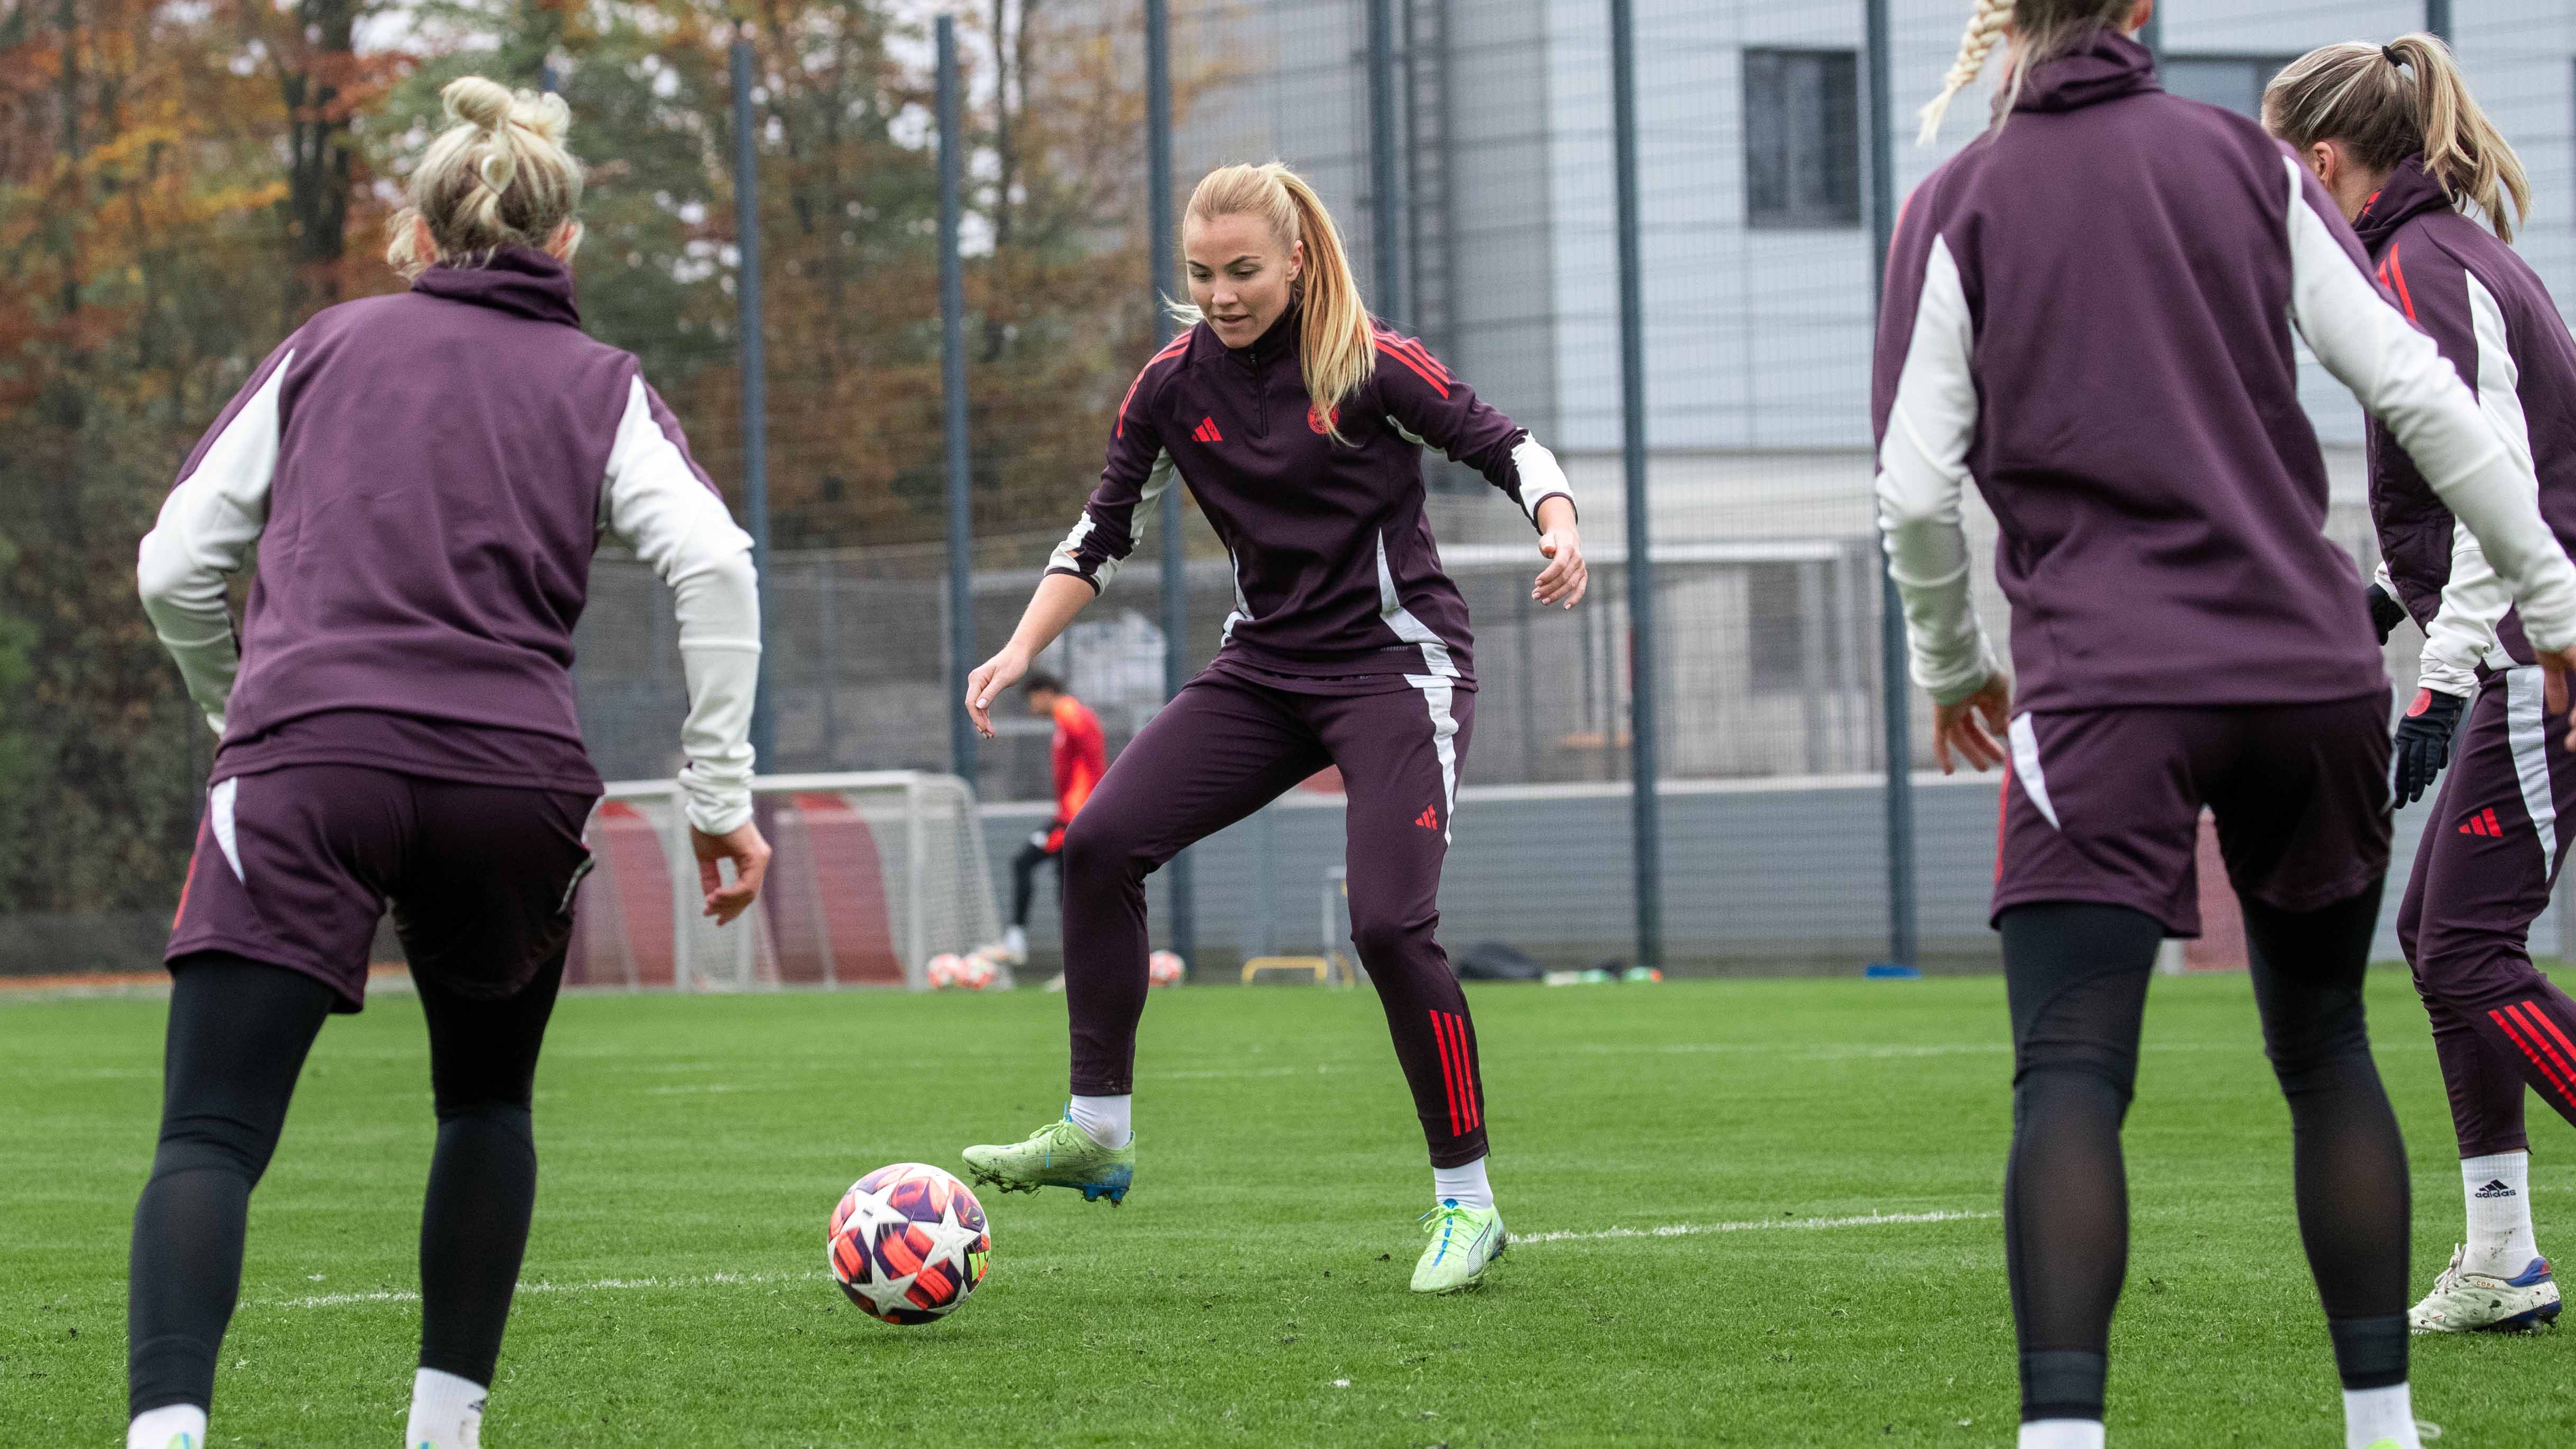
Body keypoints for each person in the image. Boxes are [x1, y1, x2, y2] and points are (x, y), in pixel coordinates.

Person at [1892, 6, 2576, 1448]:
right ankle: (2383, 1424)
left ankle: (2064, 1435)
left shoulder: (1956, 198)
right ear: (2145, 10)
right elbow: (2416, 393)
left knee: (2073, 1066)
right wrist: (2554, 605)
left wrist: (1952, 661)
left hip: (2105, 687)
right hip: (2310, 674)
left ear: (2002, 20)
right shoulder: (2244, 165)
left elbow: (1911, 491)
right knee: (2328, 1042)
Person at [125, 78, 768, 1449]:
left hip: (306, 763)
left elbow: (176, 564)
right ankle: (443, 1429)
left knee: (210, 1137)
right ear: (568, 242)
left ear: (412, 234)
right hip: (509, 781)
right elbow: (714, 561)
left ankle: (167, 1431)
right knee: (485, 1100)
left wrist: (239, 710)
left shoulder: (326, 347)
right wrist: (718, 797)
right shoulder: (604, 387)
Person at [955, 161, 1585, 1294]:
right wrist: (1018, 647)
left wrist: (1558, 520)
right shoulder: (1167, 384)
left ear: (1295, 260)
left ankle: (1469, 1203)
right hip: (1266, 670)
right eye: (1201, 273)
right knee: (1097, 844)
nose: (1223, 292)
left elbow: (1506, 441)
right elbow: (1100, 533)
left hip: (1398, 671)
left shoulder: (1369, 359)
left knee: (1392, 926)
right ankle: (1097, 1126)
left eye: (1243, 270)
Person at [2267, 34, 2576, 1336]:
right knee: (2441, 942)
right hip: (2522, 638)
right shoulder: (2450, 254)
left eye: (2282, 168)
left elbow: (2495, 488)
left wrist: (2439, 683)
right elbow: (2462, 501)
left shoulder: (2415, 271)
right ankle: (2503, 1254)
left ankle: (2503, 1255)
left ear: (2325, 161)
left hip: (2530, 656)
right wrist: (2381, 603)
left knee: (2463, 948)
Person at [994, 671, 1106, 970]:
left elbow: (1090, 765)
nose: (1031, 708)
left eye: (1031, 699)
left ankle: (1019, 942)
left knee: (1026, 863)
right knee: (1067, 887)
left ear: (1044, 693)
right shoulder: (1065, 720)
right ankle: (1081, 967)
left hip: (1074, 819)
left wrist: (1075, 817)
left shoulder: (1071, 715)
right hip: (1073, 816)